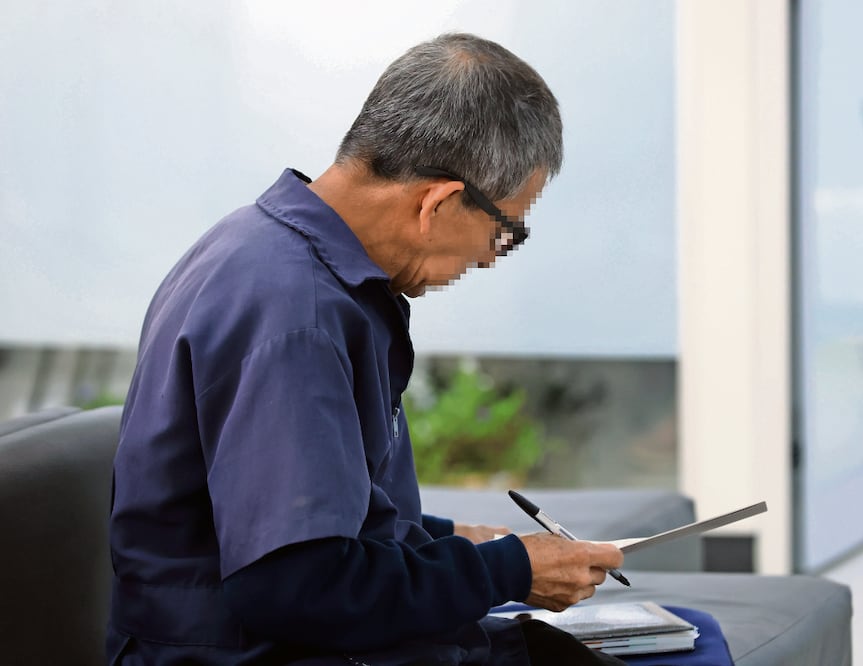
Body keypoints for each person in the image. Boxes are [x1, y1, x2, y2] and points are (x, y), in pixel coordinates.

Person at [107, 32, 625, 665]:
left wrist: (451, 542)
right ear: (440, 200)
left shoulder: (258, 244)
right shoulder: (296, 316)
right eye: (505, 232)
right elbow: (294, 587)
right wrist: (503, 573)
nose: (491, 260)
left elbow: (314, 522)